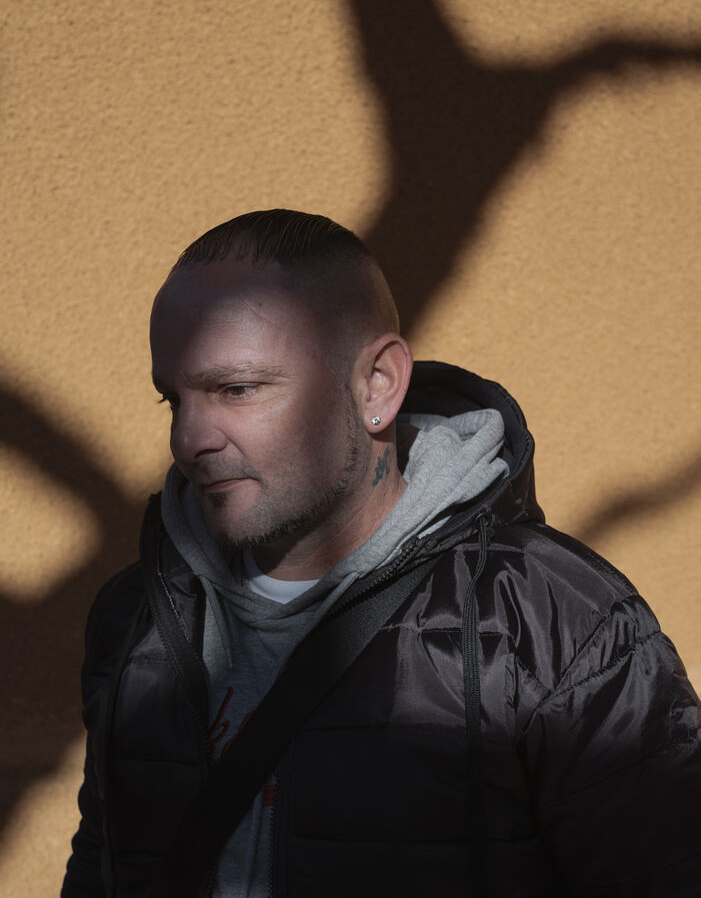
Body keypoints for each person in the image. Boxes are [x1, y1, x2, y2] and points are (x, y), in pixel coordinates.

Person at [63, 209, 701, 898]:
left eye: (236, 389)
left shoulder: (556, 623)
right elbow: (103, 864)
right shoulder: (137, 614)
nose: (189, 440)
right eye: (173, 400)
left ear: (377, 385)